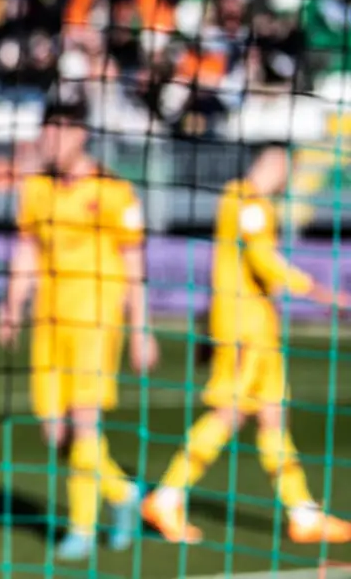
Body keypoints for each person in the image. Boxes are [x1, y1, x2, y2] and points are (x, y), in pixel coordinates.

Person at [141, 143, 351, 545]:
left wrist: (206, 327)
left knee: (273, 418)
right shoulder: (247, 201)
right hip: (245, 329)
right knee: (228, 415)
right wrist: (321, 293)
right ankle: (166, 497)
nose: (286, 177)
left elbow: (226, 267)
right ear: (272, 165)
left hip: (255, 326)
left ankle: (302, 513)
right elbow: (262, 260)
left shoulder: (238, 202)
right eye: (284, 167)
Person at [0, 98, 157, 561]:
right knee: (55, 434)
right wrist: (12, 307)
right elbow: (27, 251)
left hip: (95, 323)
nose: (50, 140)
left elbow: (133, 263)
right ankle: (123, 493)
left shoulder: (112, 191)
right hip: (49, 323)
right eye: (46, 131)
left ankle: (81, 528)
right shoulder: (37, 191)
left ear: (80, 134)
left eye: (59, 131)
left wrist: (140, 329)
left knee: (85, 427)